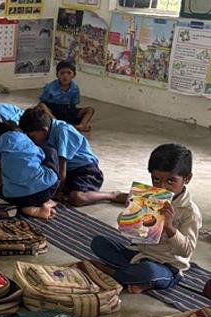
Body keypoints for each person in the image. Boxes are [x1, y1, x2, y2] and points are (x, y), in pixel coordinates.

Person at [91, 144, 201, 294]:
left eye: (170, 181)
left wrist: (170, 227)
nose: (162, 186)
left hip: (167, 265)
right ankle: (137, 279)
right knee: (98, 243)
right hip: (139, 254)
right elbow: (132, 234)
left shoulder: (189, 212)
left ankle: (114, 273)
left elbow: (185, 251)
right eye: (156, 179)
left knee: (149, 271)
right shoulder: (151, 198)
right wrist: (130, 215)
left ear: (187, 179)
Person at [19, 107, 127, 206]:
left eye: (32, 137)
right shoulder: (41, 134)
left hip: (86, 170)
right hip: (66, 172)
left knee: (76, 198)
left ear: (44, 130)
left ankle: (112, 195)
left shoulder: (63, 131)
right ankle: (65, 188)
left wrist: (58, 191)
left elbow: (62, 165)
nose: (30, 140)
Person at [0, 121, 59, 220]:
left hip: (16, 198)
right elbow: (41, 156)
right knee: (50, 152)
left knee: (9, 188)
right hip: (45, 190)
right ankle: (44, 201)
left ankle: (27, 208)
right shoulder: (25, 139)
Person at [39, 61, 94, 132]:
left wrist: (73, 114)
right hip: (53, 111)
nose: (65, 76)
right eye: (62, 73)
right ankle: (56, 122)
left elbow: (73, 104)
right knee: (41, 106)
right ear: (57, 75)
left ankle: (81, 126)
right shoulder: (50, 87)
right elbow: (42, 102)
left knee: (90, 109)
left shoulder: (75, 88)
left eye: (69, 73)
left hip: (67, 110)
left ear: (74, 75)